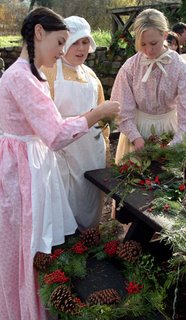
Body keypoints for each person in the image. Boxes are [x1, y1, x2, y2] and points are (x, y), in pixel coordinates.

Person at [0, 7, 119, 320]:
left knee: (31, 244)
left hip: (29, 163)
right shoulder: (23, 77)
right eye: (60, 41)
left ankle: (28, 305)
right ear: (39, 33)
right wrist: (96, 113)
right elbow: (54, 134)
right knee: (30, 244)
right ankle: (25, 311)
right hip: (25, 169)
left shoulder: (28, 73)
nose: (63, 50)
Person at [110, 8, 186, 165]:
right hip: (137, 130)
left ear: (165, 35)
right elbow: (121, 105)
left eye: (153, 43)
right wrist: (135, 136)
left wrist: (177, 142)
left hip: (170, 130)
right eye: (143, 44)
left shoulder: (178, 66)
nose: (149, 50)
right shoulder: (131, 66)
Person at [42, 16, 108, 230]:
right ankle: (68, 252)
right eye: (75, 43)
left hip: (91, 152)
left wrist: (104, 142)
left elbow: (101, 111)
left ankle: (91, 244)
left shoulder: (91, 76)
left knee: (90, 199)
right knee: (65, 203)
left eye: (85, 42)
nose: (81, 48)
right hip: (64, 151)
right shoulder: (50, 72)